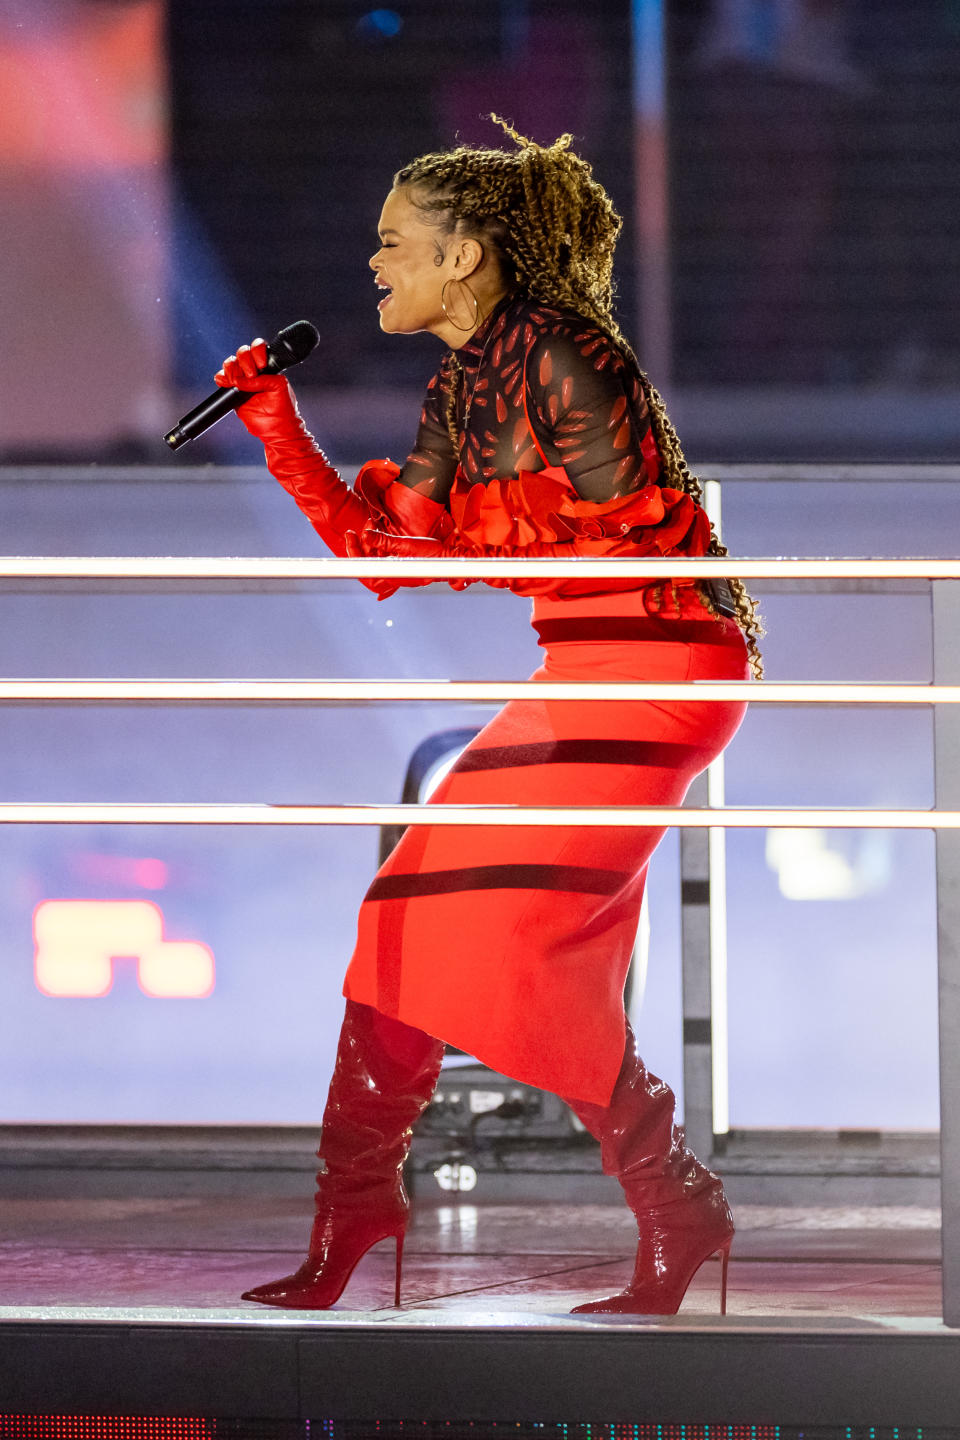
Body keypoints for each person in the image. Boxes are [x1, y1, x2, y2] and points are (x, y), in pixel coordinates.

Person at [215, 119, 762, 1315]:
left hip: (661, 666)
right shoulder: (463, 381)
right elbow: (381, 552)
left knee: (520, 942)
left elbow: (571, 536)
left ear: (463, 257)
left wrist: (452, 530)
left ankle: (677, 1202)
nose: (375, 263)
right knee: (403, 918)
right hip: (583, 667)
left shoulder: (567, 353)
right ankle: (355, 1202)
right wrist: (274, 422)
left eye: (395, 243)